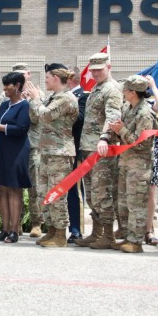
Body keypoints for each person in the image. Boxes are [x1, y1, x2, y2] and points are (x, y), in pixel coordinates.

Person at [25, 63, 79, 247]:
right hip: (47, 151)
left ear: (56, 78)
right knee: (44, 194)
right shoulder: (52, 97)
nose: (45, 80)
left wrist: (36, 99)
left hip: (60, 153)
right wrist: (36, 100)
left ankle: (61, 234)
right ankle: (52, 230)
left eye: (47, 77)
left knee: (56, 195)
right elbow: (36, 116)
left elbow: (46, 116)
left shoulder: (66, 98)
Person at [75, 53, 122, 249]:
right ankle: (96, 233)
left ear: (108, 67)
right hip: (88, 147)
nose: (95, 73)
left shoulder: (111, 89)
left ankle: (108, 236)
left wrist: (104, 138)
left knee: (102, 193)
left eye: (99, 70)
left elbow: (113, 116)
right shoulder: (96, 88)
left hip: (101, 150)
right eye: (93, 70)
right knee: (93, 194)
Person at [109, 75, 158, 253]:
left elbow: (141, 142)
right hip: (125, 162)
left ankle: (136, 241)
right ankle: (128, 236)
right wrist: (117, 130)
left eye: (126, 90)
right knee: (123, 202)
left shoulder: (145, 113)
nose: (123, 92)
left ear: (133, 92)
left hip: (139, 165)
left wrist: (120, 130)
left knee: (136, 203)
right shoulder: (128, 108)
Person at [0, 72, 31, 244]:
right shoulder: (4, 105)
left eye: (7, 85)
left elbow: (21, 128)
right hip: (0, 150)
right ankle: (4, 228)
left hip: (16, 152)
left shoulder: (25, 106)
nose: (4, 89)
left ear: (17, 85)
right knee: (2, 188)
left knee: (14, 188)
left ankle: (14, 230)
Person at [10, 63, 44, 238]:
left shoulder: (37, 95)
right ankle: (17, 223)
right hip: (16, 145)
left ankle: (36, 223)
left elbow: (40, 118)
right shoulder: (7, 94)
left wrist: (32, 99)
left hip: (33, 145)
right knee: (15, 186)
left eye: (24, 76)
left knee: (34, 186)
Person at [66, 67, 88, 243]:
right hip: (61, 152)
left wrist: (69, 100)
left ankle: (77, 229)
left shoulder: (82, 96)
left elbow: (79, 119)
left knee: (75, 190)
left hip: (75, 150)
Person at [144, 75, 158, 246]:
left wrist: (153, 86)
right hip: (129, 152)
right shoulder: (127, 105)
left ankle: (149, 229)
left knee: (150, 191)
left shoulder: (149, 103)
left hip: (151, 152)